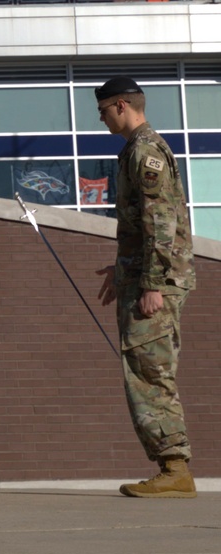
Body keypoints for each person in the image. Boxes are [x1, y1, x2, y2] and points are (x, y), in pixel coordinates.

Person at [94, 77, 197, 498]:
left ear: (121, 105)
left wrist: (151, 283)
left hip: (155, 285)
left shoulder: (144, 150)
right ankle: (172, 467)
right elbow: (144, 226)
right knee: (146, 371)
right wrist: (123, 269)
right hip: (143, 277)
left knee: (150, 374)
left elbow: (160, 222)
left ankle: (174, 468)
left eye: (102, 111)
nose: (100, 119)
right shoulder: (138, 149)